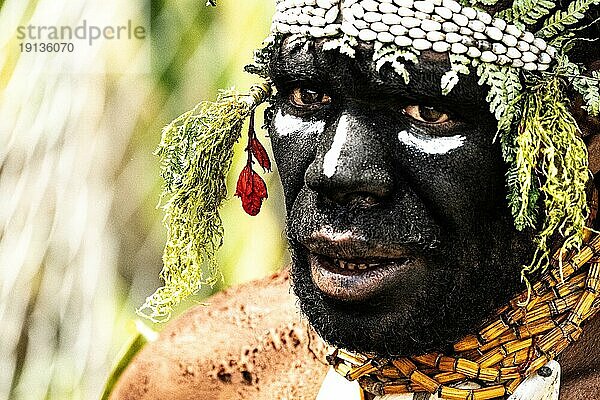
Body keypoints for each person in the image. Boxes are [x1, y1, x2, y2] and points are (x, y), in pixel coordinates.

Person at [109, 0, 600, 398]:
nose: (336, 171)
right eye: (305, 95)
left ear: (584, 137)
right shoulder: (199, 379)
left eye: (428, 110)